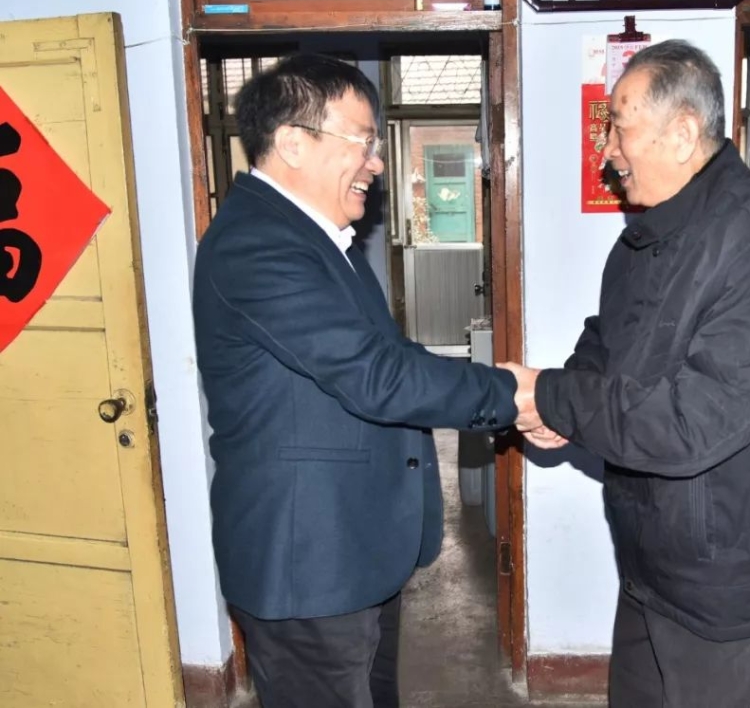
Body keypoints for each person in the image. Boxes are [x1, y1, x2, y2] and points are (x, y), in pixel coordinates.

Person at [502, 40, 750, 707]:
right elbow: (609, 338)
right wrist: (562, 408)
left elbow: (691, 425)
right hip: (654, 554)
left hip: (723, 577)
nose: (607, 153)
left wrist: (553, 395)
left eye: (620, 130)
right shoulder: (651, 235)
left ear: (682, 134)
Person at [192, 53, 518, 708]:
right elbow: (378, 376)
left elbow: (383, 355)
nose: (377, 163)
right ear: (293, 142)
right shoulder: (259, 245)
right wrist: (516, 394)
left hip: (353, 547)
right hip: (307, 563)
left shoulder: (316, 237)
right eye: (363, 142)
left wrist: (495, 384)